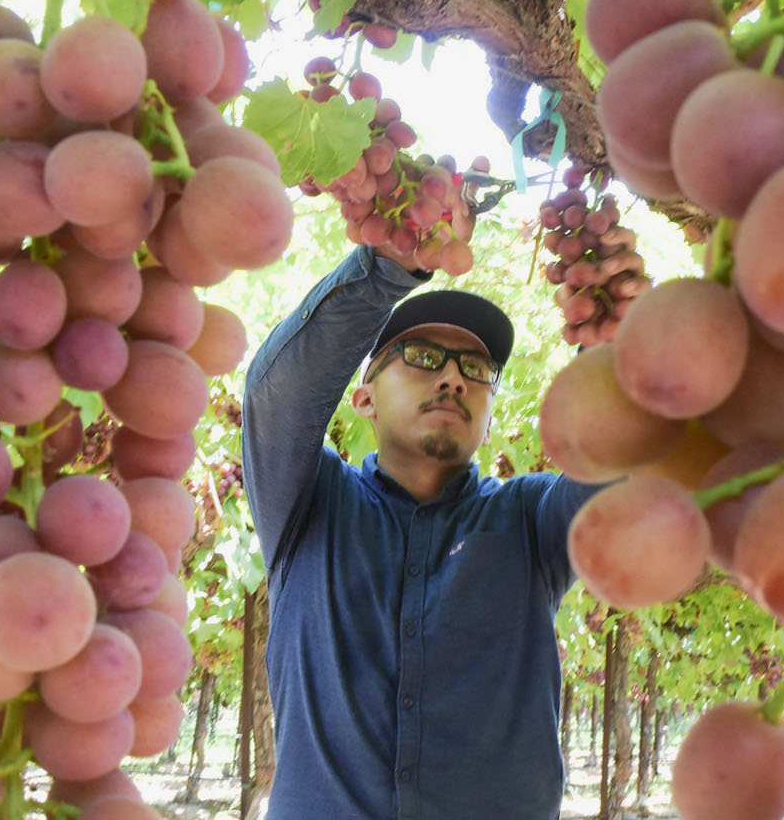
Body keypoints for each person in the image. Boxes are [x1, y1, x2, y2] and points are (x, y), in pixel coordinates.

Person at [241, 242, 602, 820]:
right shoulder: (308, 503)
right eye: (423, 357)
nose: (455, 379)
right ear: (363, 399)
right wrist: (391, 260)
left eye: (477, 370)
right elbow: (277, 394)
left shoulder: (533, 518)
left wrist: (623, 356)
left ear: (489, 419)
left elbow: (621, 478)